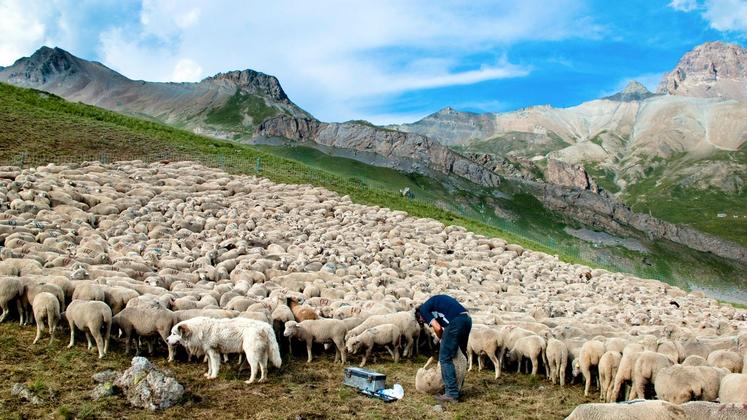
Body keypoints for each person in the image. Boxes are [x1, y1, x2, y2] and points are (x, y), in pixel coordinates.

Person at [415, 294, 472, 402]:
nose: (426, 323)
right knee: (461, 356)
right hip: (467, 320)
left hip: (456, 322)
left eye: (422, 321)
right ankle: (458, 387)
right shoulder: (434, 305)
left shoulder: (423, 310)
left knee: (445, 358)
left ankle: (451, 393)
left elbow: (437, 327)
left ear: (420, 316)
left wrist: (442, 339)